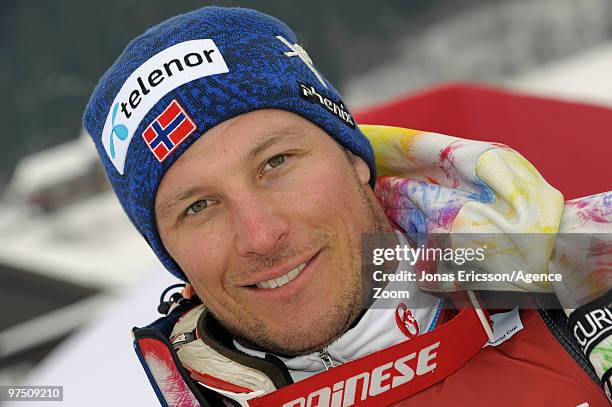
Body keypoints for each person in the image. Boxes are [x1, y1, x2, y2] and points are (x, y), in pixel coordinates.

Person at [83, 6, 611, 406]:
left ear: (355, 157)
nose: (261, 236)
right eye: (198, 207)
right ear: (169, 252)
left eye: (276, 163)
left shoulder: (588, 284)